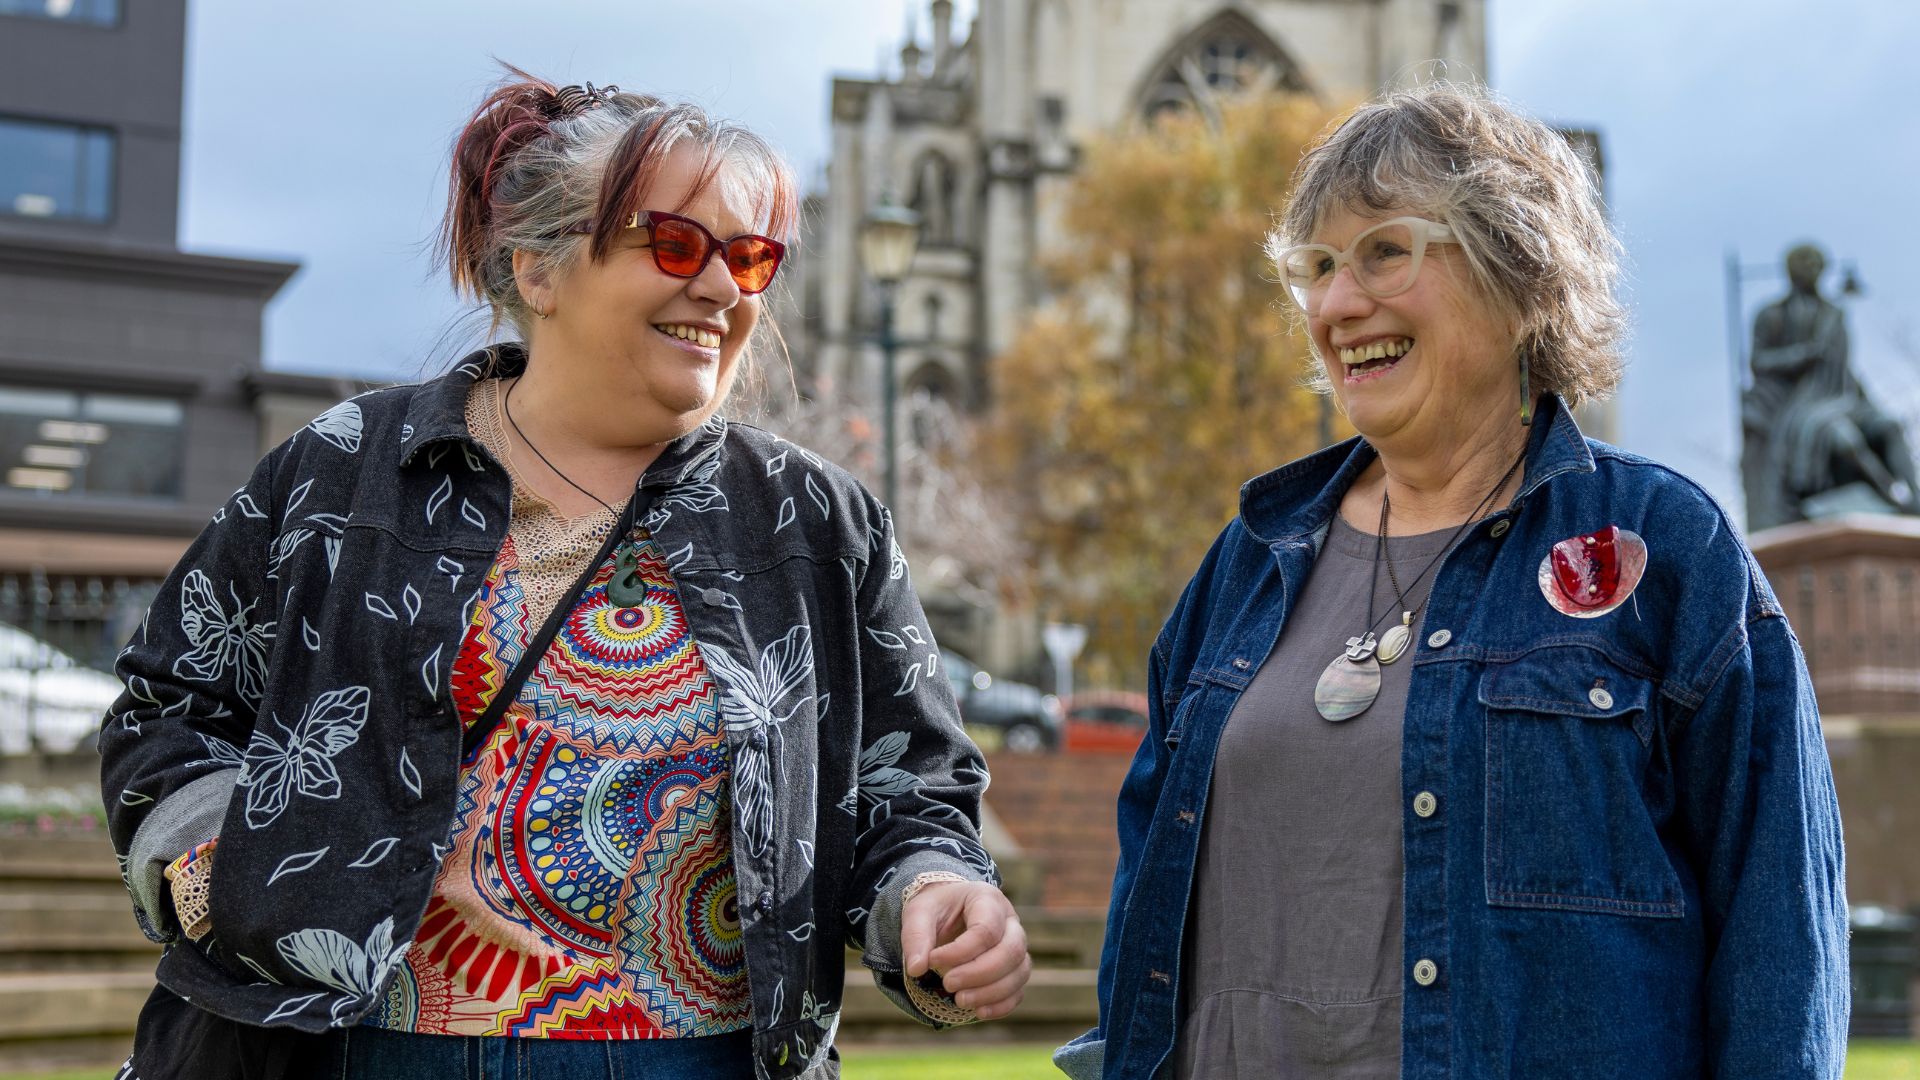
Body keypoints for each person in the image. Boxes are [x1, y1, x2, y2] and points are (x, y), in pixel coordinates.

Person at [100, 72, 1028, 1080]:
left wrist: (934, 892)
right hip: (346, 1057)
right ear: (538, 268)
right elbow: (172, 706)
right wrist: (205, 872)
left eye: (750, 257)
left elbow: (912, 792)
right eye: (675, 243)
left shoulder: (816, 522)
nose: (721, 288)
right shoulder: (343, 471)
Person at [1056, 81, 1848, 1080]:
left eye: (1386, 250)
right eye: (1320, 266)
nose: (1339, 304)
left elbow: (1782, 938)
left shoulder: (1666, 549)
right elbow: (1146, 935)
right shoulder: (1245, 562)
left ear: (1517, 271)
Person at [1741, 242, 1919, 530]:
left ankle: (1916, 502)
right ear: (1790, 271)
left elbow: (1845, 370)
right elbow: (1759, 361)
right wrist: (1802, 355)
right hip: (1800, 404)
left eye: (1816, 265)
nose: (1811, 270)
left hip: (1845, 398)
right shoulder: (1771, 315)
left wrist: (1866, 401)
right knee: (1845, 439)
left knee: (1891, 426)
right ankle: (1891, 497)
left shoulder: (1833, 314)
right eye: (1804, 264)